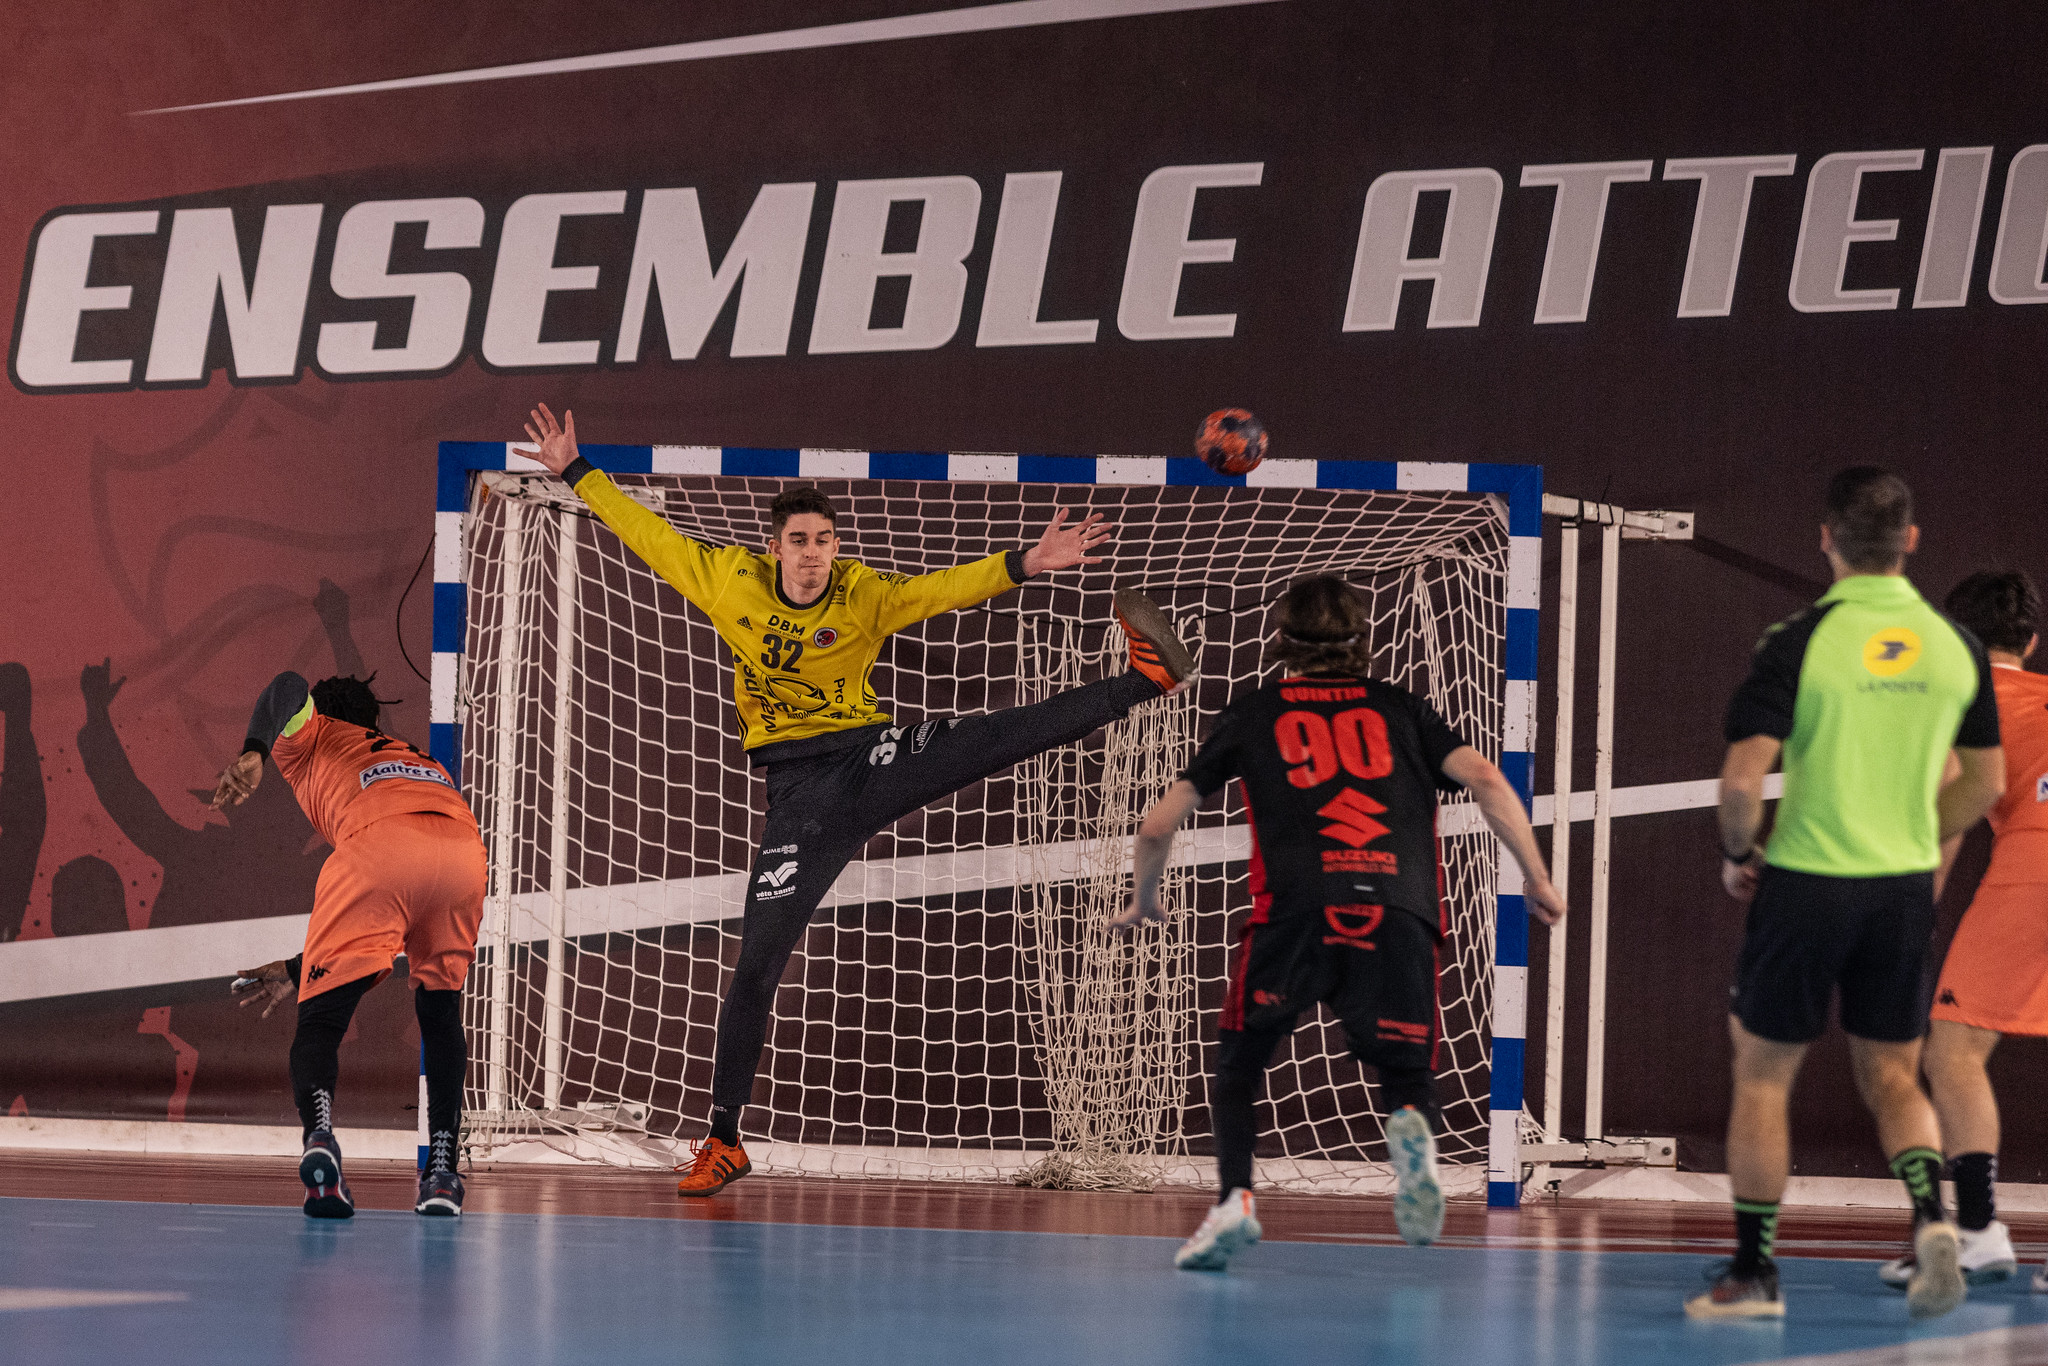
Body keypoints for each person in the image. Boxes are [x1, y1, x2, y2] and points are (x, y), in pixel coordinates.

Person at [516, 403, 1199, 1196]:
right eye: (800, 542)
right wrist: (573, 471)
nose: (813, 556)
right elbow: (649, 535)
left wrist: (1027, 563)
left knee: (990, 737)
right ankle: (725, 1138)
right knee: (756, 968)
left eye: (825, 541)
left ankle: (1140, 680)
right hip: (799, 798)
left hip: (868, 758)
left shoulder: (860, 594)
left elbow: (936, 592)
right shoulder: (726, 580)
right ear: (773, 549)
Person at [1112, 575, 1565, 1270]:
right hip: (1397, 913)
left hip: (1294, 914)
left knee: (1239, 1067)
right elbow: (1489, 780)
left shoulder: (1255, 711)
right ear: (1366, 641)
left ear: (1280, 642)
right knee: (1405, 1073)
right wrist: (1536, 877)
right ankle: (1414, 1149)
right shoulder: (1406, 711)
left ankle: (1235, 1205)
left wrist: (1144, 898)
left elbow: (1157, 824)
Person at [1692, 467, 2004, 1321]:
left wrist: (1739, 852)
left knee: (1762, 1078)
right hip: (1901, 892)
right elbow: (1985, 785)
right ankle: (1931, 1222)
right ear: (1910, 541)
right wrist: (1912, 837)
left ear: (1825, 538)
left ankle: (1754, 1277)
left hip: (1806, 887)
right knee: (1897, 1077)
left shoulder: (1797, 640)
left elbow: (1741, 780)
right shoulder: (1956, 646)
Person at [213, 672, 486, 1219]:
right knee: (440, 1011)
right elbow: (405, 895)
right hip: (462, 853)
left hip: (379, 846)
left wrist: (254, 752)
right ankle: (441, 1172)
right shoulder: (415, 758)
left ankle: (320, 1138)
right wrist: (301, 963)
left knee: (319, 1024)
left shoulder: (312, 734)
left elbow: (286, 685)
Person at [1873, 571, 2047, 1293]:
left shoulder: (1961, 703)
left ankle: (1976, 1233)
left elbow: (1950, 806)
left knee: (1954, 1050)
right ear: (2032, 643)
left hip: (2036, 869)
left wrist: (1916, 913)